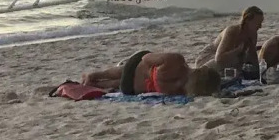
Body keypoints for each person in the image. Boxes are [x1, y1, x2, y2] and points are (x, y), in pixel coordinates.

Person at [82, 51, 222, 97]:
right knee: (117, 81)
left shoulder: (175, 60)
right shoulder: (182, 91)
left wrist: (153, 70)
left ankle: (92, 76)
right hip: (130, 88)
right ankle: (94, 83)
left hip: (134, 70)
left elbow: (146, 58)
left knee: (119, 72)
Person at [196, 6, 264, 76]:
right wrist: (237, 50)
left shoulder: (253, 34)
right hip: (207, 57)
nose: (260, 26)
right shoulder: (232, 31)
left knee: (243, 62)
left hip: (228, 60)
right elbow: (219, 59)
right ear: (247, 20)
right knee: (235, 61)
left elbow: (252, 57)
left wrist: (258, 73)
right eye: (258, 23)